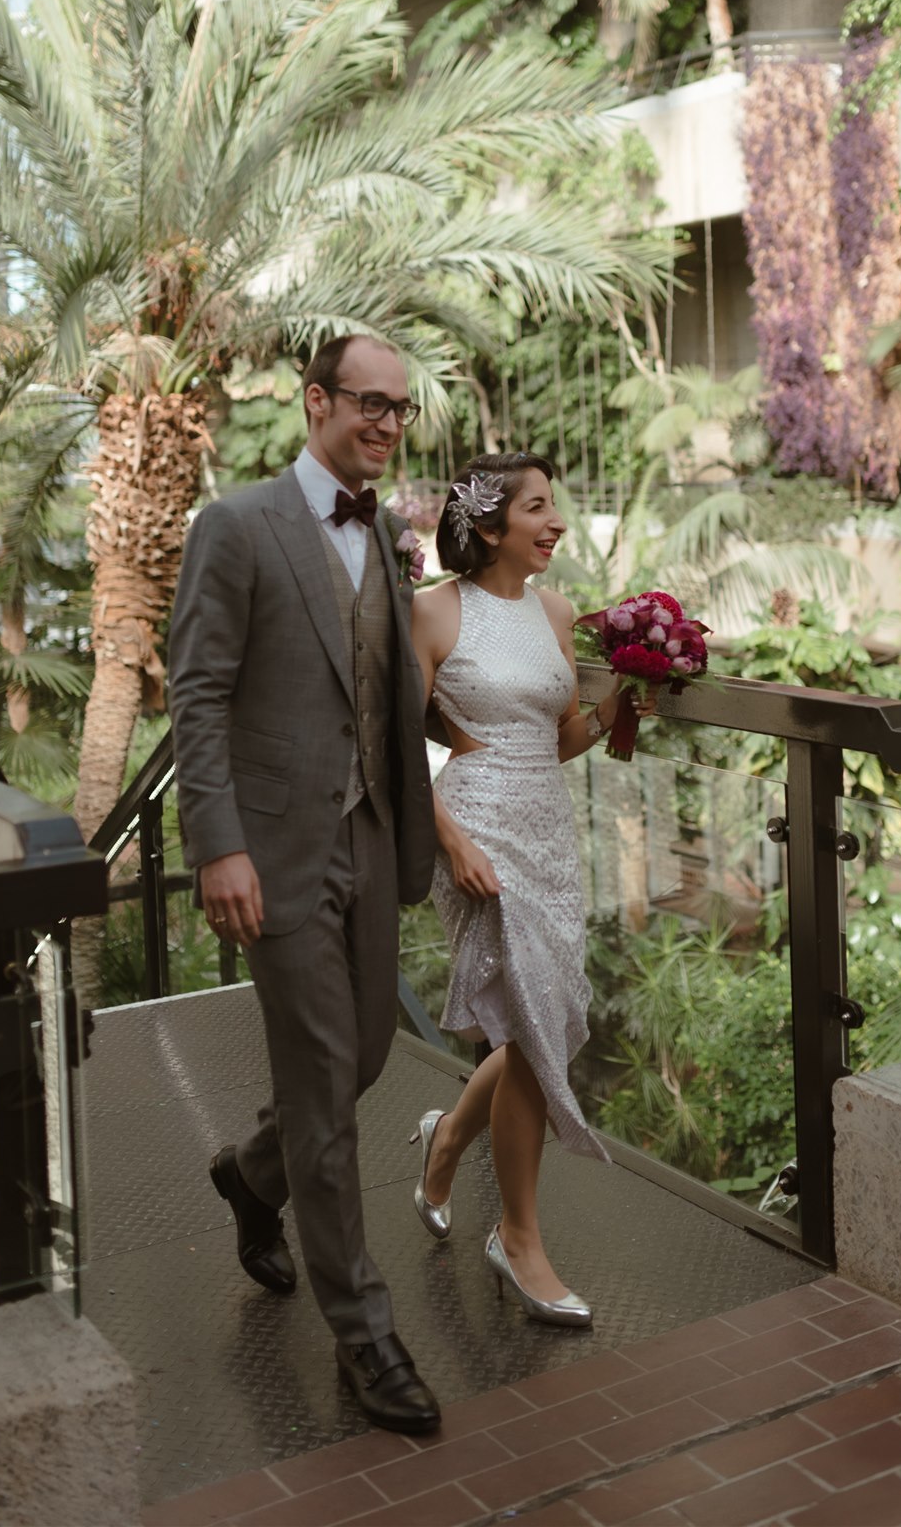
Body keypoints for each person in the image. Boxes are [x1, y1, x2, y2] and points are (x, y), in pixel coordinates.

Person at [168, 334, 441, 1434]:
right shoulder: (236, 524)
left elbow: (383, 683)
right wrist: (216, 842)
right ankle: (364, 1331)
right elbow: (196, 690)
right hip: (275, 849)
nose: (383, 422)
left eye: (400, 409)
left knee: (368, 1050)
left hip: (370, 833)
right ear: (315, 399)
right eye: (367, 403)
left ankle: (251, 1172)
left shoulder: (383, 529)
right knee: (328, 1081)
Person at [407, 451, 650, 1327]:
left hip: (548, 833)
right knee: (534, 1022)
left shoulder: (553, 612)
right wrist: (452, 841)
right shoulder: (431, 611)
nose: (556, 523)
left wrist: (623, 702)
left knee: (531, 1024)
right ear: (486, 522)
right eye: (539, 507)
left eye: (556, 505)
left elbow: (556, 740)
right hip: (474, 832)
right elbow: (398, 748)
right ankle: (518, 1238)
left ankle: (445, 1141)